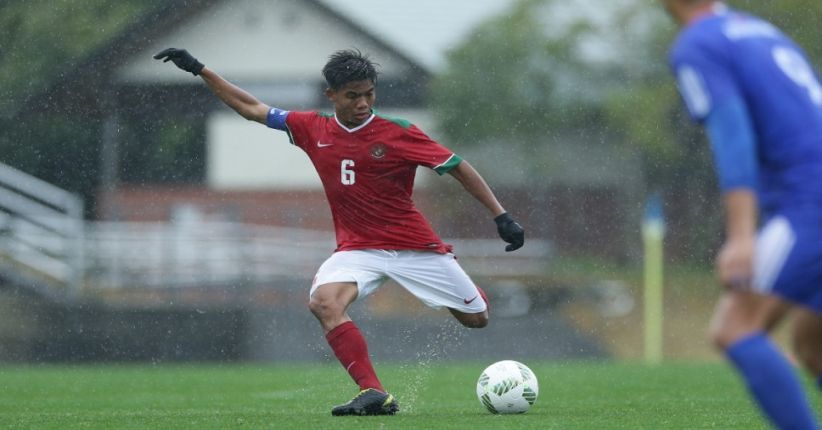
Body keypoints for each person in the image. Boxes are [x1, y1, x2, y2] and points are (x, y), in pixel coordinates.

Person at [154, 48, 524, 416]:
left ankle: (465, 287)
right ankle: (374, 392)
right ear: (331, 95)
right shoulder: (312, 127)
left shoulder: (399, 132)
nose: (363, 103)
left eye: (369, 94)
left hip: (414, 247)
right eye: (352, 95)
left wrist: (501, 216)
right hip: (357, 249)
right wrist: (201, 70)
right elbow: (251, 107)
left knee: (477, 319)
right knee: (324, 303)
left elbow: (458, 166)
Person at [663, 1, 822, 428]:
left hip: (810, 200)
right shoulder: (757, 29)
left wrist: (741, 235)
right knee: (812, 345)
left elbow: (733, 137)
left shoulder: (697, 45)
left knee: (735, 328)